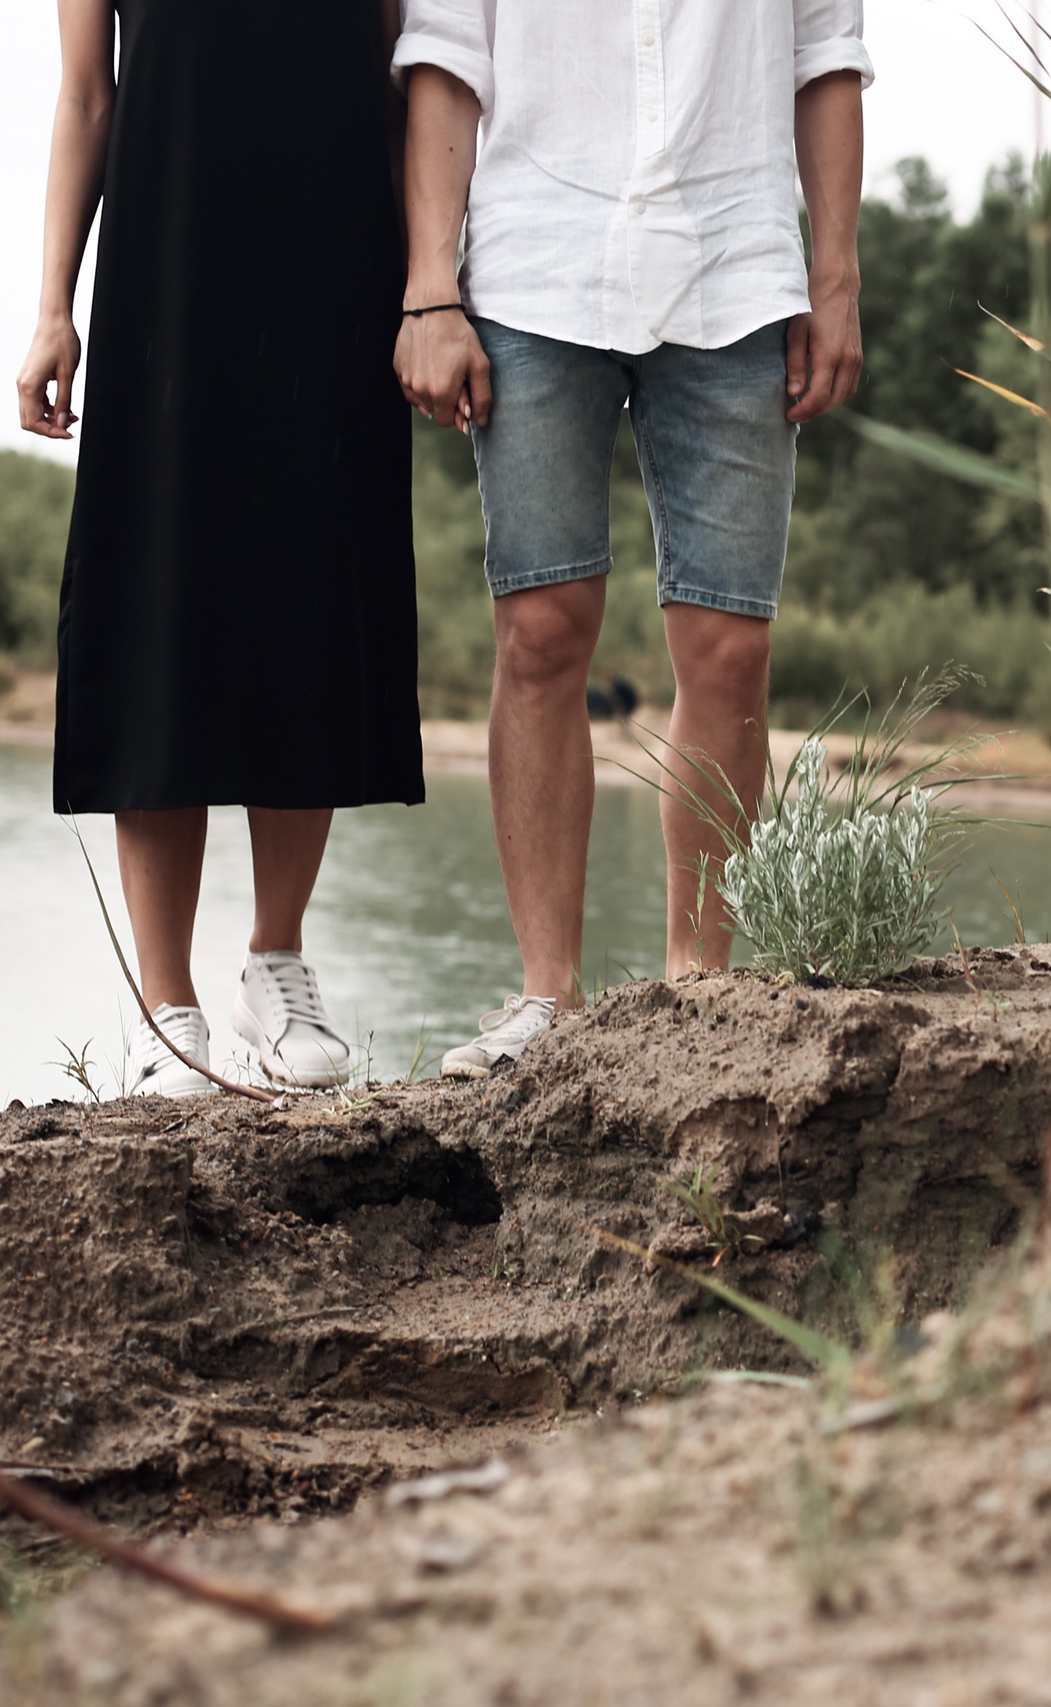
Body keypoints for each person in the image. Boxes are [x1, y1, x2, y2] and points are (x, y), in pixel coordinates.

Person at [392, 0, 869, 1079]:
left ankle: (699, 992)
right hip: (533, 262)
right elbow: (445, 59)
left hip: (737, 263)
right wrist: (429, 290)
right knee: (540, 631)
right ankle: (545, 997)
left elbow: (827, 57)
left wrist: (836, 278)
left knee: (730, 647)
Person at [16, 0, 425, 1096]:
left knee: (309, 597)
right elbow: (86, 98)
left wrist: (426, 290)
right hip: (165, 272)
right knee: (158, 608)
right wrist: (53, 306)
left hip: (335, 274)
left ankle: (274, 963)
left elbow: (397, 87)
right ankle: (168, 1011)